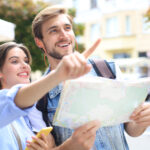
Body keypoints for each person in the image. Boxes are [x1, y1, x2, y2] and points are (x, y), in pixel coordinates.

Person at [31, 5, 150, 150]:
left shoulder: (108, 70)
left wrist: (142, 120)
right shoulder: (38, 98)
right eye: (54, 30)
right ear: (39, 41)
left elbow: (132, 129)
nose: (64, 35)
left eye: (67, 28)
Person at [0, 41, 101, 150]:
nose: (25, 66)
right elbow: (12, 100)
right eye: (14, 61)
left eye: (26, 61)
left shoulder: (31, 114)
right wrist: (58, 74)